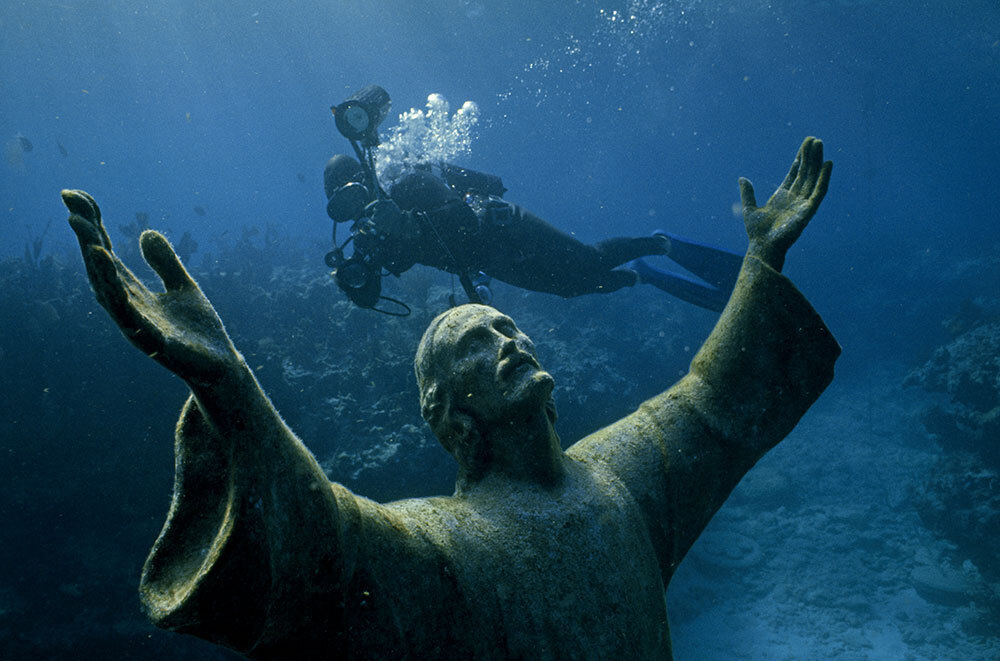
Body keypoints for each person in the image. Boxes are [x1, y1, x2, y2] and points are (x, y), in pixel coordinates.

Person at [62, 136, 837, 660]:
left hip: (507, 233)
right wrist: (229, 382)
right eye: (475, 343)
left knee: (585, 268)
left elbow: (710, 399)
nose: (509, 340)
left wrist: (760, 260)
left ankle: (652, 251)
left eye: (506, 329)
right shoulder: (441, 548)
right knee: (585, 271)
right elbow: (323, 543)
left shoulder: (624, 477)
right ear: (447, 412)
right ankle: (644, 258)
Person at [324, 154, 744, 312]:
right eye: (340, 205)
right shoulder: (370, 234)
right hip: (487, 260)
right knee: (573, 289)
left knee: (588, 262)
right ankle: (642, 273)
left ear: (366, 178)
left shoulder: (406, 184)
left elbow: (462, 219)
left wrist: (407, 222)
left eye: (353, 193)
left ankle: (660, 243)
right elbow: (375, 293)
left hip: (503, 225)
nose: (353, 208)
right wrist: (355, 277)